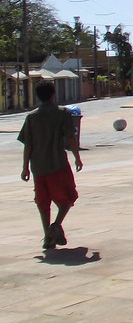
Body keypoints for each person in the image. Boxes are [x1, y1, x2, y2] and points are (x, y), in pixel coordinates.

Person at [18, 81, 83, 250]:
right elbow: (70, 137)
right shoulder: (62, 113)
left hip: (38, 166)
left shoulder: (31, 117)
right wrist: (77, 157)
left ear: (38, 96)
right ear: (53, 94)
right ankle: (56, 225)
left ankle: (47, 236)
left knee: (43, 201)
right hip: (58, 163)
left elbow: (28, 144)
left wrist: (25, 167)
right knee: (68, 197)